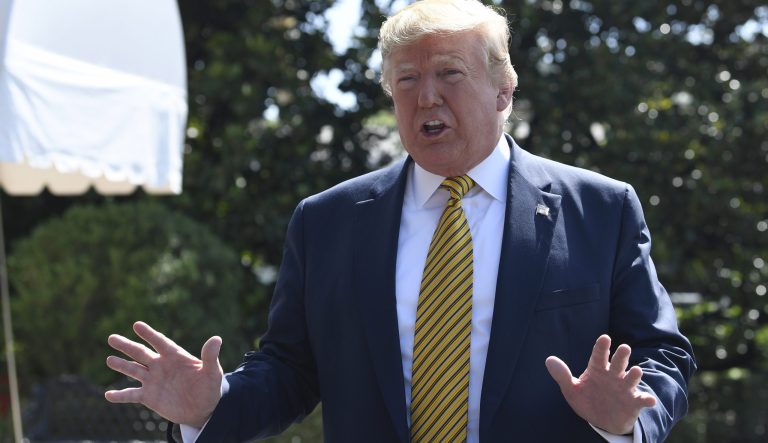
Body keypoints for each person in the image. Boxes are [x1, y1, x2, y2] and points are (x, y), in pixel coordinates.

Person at [105, 1, 695, 442]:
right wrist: (214, 405)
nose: (426, 98)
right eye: (406, 81)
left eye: (450, 74)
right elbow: (290, 369)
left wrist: (629, 418)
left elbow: (661, 353)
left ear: (503, 90)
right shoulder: (328, 221)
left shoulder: (600, 209)